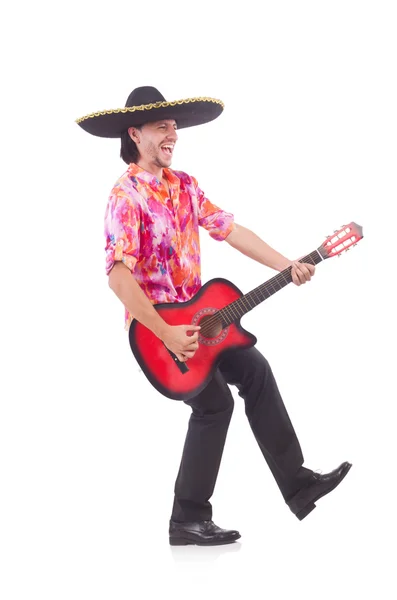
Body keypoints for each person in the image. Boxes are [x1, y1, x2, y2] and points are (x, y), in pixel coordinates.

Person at [76, 86, 352, 546]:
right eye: (161, 126)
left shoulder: (185, 185)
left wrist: (287, 264)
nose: (173, 134)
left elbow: (231, 229)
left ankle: (299, 486)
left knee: (256, 371)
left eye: (174, 125)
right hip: (159, 331)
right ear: (135, 134)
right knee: (214, 404)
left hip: (203, 321)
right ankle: (186, 520)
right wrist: (163, 331)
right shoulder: (125, 196)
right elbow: (117, 277)